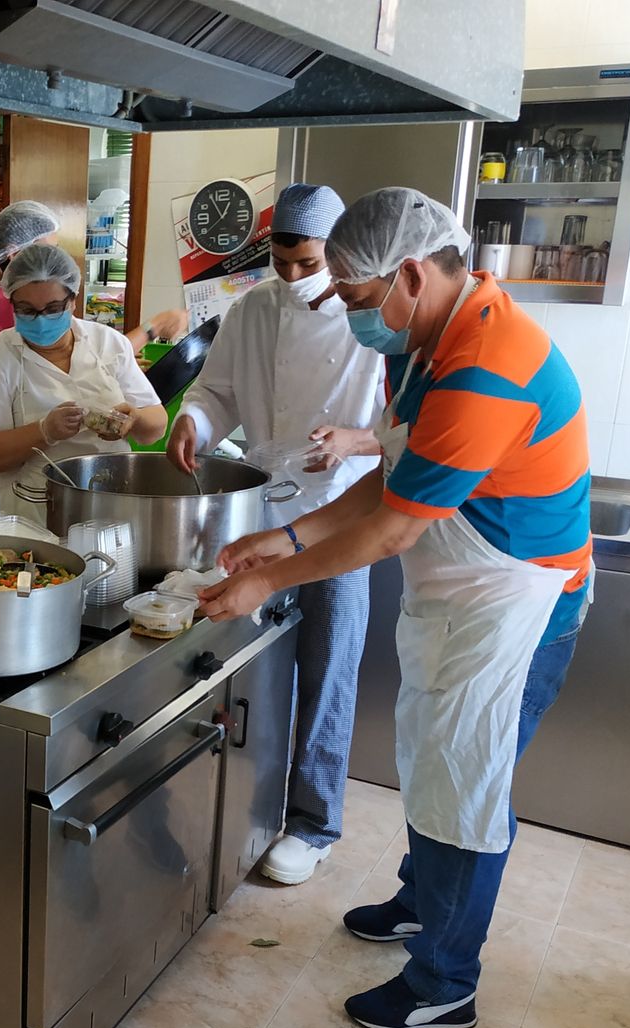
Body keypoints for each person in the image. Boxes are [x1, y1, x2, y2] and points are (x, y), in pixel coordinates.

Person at [200, 187, 591, 1028]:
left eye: (355, 296)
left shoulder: (486, 363)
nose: (348, 313)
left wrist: (273, 578)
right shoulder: (436, 339)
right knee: (433, 762)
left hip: (517, 606)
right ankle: (423, 905)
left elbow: (390, 531)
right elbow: (396, 475)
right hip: (465, 599)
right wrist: (291, 534)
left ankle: (444, 983)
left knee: (466, 786)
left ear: (409, 275)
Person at [166, 182, 384, 888]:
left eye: (309, 264)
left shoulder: (371, 322)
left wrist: (356, 440)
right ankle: (251, 801)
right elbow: (218, 390)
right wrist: (193, 423)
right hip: (259, 513)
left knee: (327, 671)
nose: (293, 279)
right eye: (283, 263)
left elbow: (405, 428)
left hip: (339, 513)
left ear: (337, 256)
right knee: (250, 665)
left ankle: (314, 823)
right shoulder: (252, 309)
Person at [0, 243, 168, 517]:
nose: (41, 320)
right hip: (33, 512)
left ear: (73, 300)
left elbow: (157, 425)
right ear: (11, 304)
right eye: (27, 310)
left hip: (111, 502)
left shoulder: (108, 343)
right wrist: (45, 431)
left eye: (53, 308)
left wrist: (133, 420)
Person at [0, 199, 189, 360]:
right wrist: (155, 326)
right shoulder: (14, 306)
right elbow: (93, 358)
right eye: (48, 251)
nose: (56, 260)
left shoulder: (2, 300)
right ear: (15, 256)